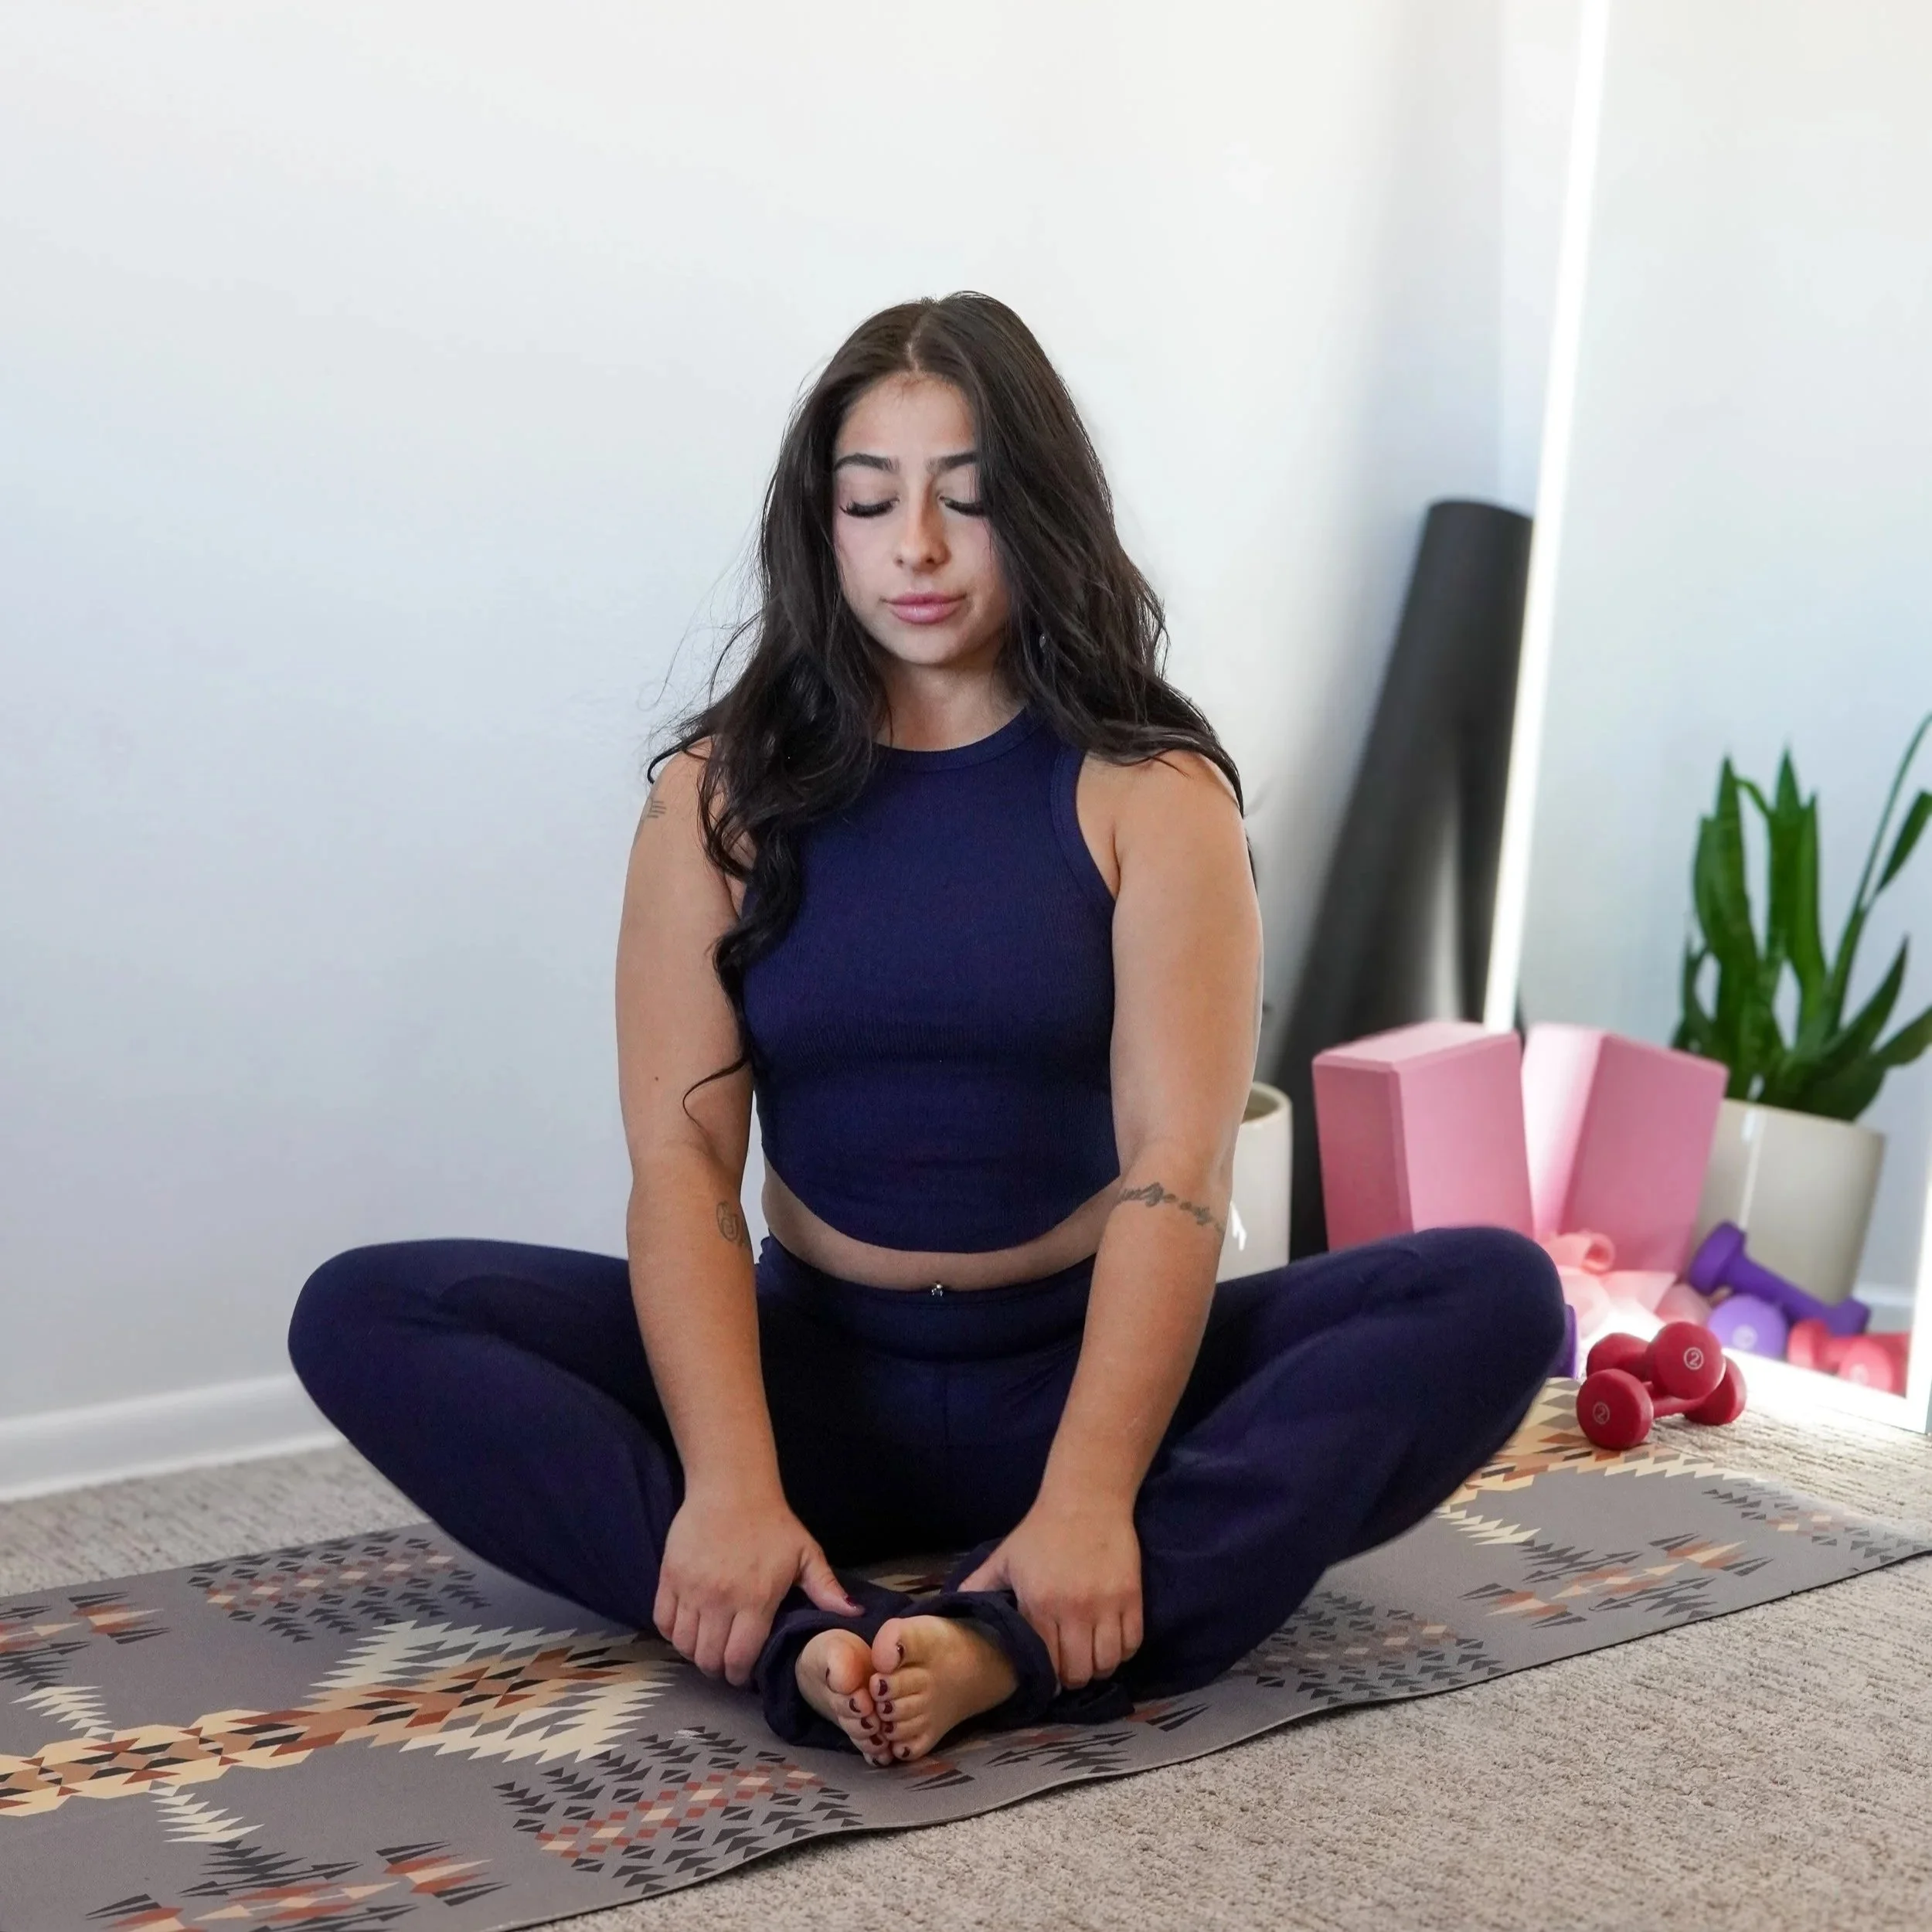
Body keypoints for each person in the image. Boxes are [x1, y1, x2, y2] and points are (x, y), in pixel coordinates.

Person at [287, 292, 1564, 1770]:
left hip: (1085, 1371)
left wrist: (1089, 1492)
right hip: (807, 1375)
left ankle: (1005, 1640)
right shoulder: (715, 798)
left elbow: (1177, 1169)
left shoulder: (1154, 795)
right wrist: (729, 1484)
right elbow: (684, 1164)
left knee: (1496, 1302)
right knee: (370, 1313)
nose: (920, 548)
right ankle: (789, 1629)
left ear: (1044, 513)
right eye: (870, 500)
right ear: (817, 526)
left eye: (970, 499)